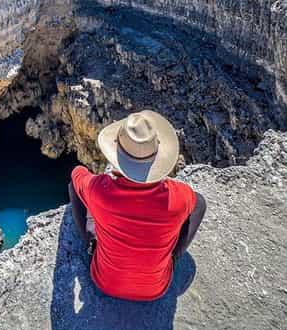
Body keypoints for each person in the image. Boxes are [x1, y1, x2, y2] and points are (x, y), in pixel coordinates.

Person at [68, 110, 206, 301]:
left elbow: (77, 175)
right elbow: (199, 204)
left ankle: (91, 244)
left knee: (76, 190)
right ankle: (173, 256)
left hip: (105, 283)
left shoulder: (100, 191)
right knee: (198, 203)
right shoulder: (179, 196)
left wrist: (84, 172)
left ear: (117, 155)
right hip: (156, 288)